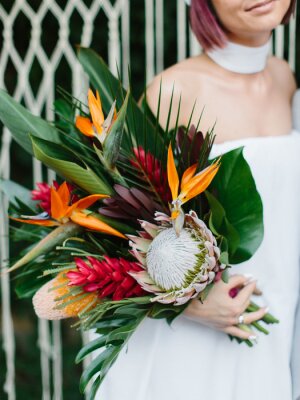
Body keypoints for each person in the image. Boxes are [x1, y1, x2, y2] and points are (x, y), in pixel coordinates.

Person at [97, 1, 300, 399]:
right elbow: (116, 221)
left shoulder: (283, 78)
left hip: (272, 319)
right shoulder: (176, 90)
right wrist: (194, 304)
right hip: (193, 334)